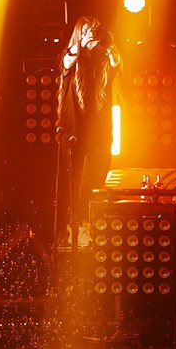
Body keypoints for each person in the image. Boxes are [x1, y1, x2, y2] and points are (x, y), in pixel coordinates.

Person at [56, 15, 118, 249]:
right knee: (73, 179)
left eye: (96, 30)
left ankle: (91, 220)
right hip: (74, 128)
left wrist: (108, 44)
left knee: (97, 175)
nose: (93, 34)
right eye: (88, 30)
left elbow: (117, 62)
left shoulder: (103, 57)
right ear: (79, 34)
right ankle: (72, 224)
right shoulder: (71, 55)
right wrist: (82, 44)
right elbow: (67, 61)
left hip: (99, 129)